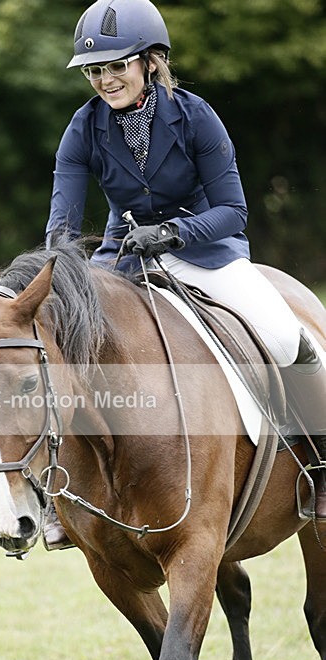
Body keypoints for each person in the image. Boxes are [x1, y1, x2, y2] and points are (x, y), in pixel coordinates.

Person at [42, 0, 326, 548]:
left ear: (150, 61)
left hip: (206, 249)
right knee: (58, 344)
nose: (104, 80)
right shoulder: (83, 127)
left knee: (284, 335)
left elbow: (233, 210)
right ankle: (56, 492)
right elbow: (63, 222)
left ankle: (324, 462)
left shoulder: (196, 116)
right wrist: (61, 267)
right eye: (94, 70)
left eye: (116, 66)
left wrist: (173, 233)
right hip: (124, 258)